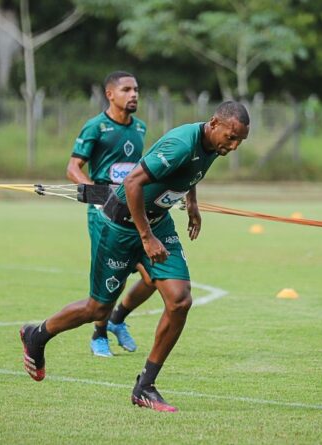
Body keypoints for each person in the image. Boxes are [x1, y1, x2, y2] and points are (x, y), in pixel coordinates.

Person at [20, 101, 250, 411]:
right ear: (213, 123)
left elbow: (190, 173)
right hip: (120, 226)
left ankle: (145, 386)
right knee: (96, 309)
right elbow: (132, 182)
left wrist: (192, 204)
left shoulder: (212, 145)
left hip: (157, 222)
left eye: (240, 141)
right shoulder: (181, 144)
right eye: (231, 137)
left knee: (180, 299)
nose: (233, 146)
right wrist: (146, 237)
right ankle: (37, 334)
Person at [67, 71, 157, 358]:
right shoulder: (95, 127)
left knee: (153, 277)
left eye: (136, 89)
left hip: (134, 213)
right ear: (110, 94)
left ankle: (117, 320)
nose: (134, 95)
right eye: (127, 89)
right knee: (112, 276)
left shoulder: (140, 128)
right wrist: (99, 195)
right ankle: (99, 333)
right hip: (103, 217)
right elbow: (73, 169)